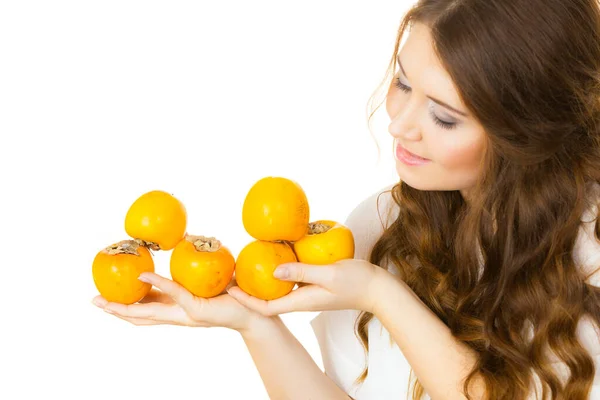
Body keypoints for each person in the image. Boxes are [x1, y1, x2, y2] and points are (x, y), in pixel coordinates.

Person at [92, 0, 600, 398]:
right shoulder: (384, 226)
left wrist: (383, 296)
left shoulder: (589, 255)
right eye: (402, 83)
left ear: (529, 128)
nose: (399, 125)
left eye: (444, 117)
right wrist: (251, 322)